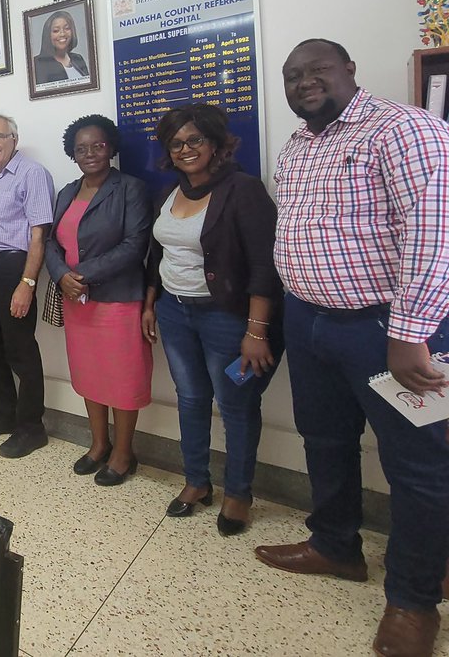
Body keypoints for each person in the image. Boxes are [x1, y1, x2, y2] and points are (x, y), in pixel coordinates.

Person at [256, 38, 449, 657]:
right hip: (310, 323)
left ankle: (415, 600)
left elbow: (434, 235)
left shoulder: (404, 129)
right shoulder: (297, 147)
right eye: (292, 75)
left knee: (419, 466)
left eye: (317, 70)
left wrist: (409, 331)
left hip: (389, 330)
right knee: (325, 438)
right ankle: (335, 546)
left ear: (350, 72)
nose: (303, 82)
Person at [142, 105, 282, 529]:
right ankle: (197, 481)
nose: (185, 149)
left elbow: (264, 265)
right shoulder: (171, 191)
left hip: (226, 317)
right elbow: (159, 254)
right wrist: (151, 302)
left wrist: (256, 331)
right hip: (174, 312)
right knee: (190, 399)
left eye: (195, 140)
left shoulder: (243, 189)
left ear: (216, 142)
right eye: (176, 143)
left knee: (237, 405)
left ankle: (238, 493)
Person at [45, 115, 151, 485]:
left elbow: (135, 245)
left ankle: (124, 453)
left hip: (117, 300)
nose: (90, 153)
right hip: (78, 302)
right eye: (81, 148)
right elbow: (51, 242)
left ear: (112, 147)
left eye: (98, 145)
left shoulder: (130, 188)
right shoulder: (67, 192)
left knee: (122, 377)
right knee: (89, 374)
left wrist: (82, 276)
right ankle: (98, 444)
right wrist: (61, 275)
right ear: (72, 154)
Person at [0, 114, 55, 458]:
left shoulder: (32, 174)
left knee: (20, 350)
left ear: (14, 139)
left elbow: (38, 234)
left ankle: (32, 428)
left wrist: (27, 283)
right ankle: (2, 414)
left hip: (13, 270)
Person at [32, 11, 89, 85]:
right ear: (48, 35)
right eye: (56, 31)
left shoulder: (78, 59)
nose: (62, 33)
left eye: (67, 28)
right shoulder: (37, 64)